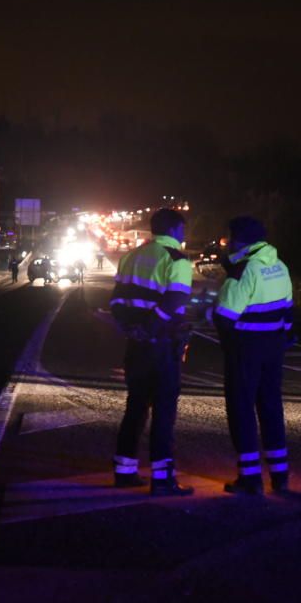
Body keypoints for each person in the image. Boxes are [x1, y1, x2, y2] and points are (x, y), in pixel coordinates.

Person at [110, 208, 194, 496]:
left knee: (135, 407)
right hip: (163, 345)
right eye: (182, 229)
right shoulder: (177, 260)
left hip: (136, 345)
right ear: (173, 230)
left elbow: (117, 300)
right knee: (163, 412)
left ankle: (124, 472)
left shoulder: (131, 256)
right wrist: (151, 327)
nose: (184, 234)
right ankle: (163, 479)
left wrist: (132, 328)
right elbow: (175, 299)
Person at [211, 216, 294, 495]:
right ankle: (280, 476)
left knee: (242, 410)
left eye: (230, 238)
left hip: (245, 349)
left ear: (239, 241)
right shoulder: (279, 266)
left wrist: (211, 311)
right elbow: (288, 313)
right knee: (271, 408)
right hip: (274, 347)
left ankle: (250, 478)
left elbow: (225, 316)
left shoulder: (244, 270)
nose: (228, 244)